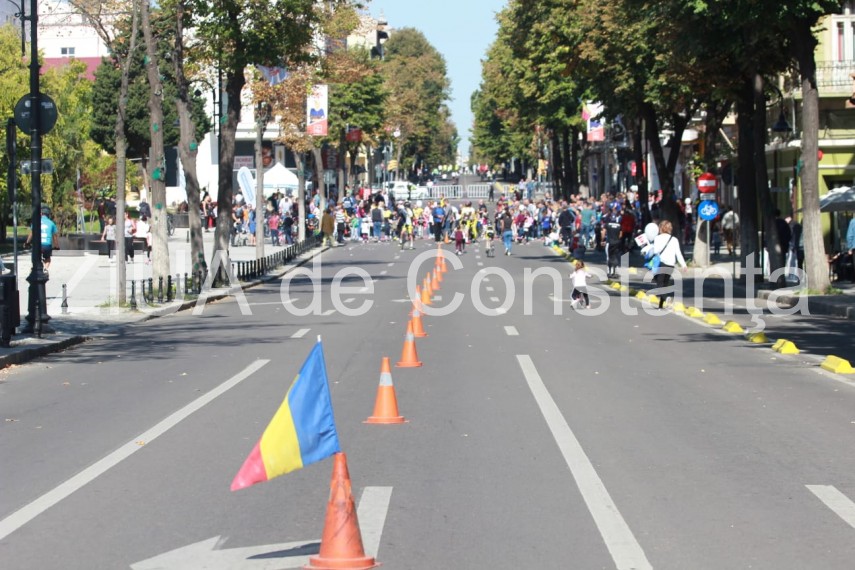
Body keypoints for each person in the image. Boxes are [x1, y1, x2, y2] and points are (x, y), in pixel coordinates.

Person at [650, 220, 686, 309]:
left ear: (661, 228)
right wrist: (684, 265)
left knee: (659, 284)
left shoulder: (657, 238)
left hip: (662, 264)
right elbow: (678, 253)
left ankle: (665, 299)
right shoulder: (674, 239)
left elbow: (656, 251)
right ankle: (661, 305)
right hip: (671, 265)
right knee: (665, 284)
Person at [26, 206, 59, 272]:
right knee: (47, 258)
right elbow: (55, 237)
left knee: (35, 257)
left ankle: (34, 268)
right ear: (48, 214)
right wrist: (56, 246)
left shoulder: (36, 222)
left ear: (41, 213)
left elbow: (31, 234)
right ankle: (45, 269)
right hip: (47, 245)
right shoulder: (51, 223)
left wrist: (27, 242)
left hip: (37, 245)